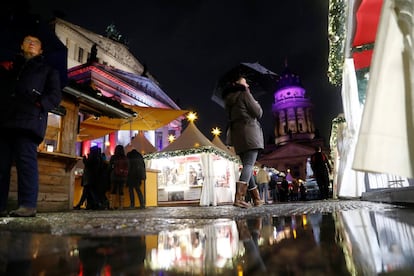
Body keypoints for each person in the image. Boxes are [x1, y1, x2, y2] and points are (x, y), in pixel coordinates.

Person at [0, 33, 62, 217]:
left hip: (29, 121)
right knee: (1, 166)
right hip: (5, 120)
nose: (31, 43)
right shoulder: (10, 67)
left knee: (26, 164)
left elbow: (55, 95)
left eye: (36, 42)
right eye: (27, 40)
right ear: (21, 45)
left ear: (41, 49)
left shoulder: (48, 70)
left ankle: (27, 205)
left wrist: (39, 104)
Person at [222, 74, 264, 208]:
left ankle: (256, 199)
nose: (248, 85)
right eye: (245, 83)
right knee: (249, 165)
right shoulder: (244, 95)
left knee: (248, 166)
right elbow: (258, 113)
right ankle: (239, 198)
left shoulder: (228, 100)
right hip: (250, 133)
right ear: (238, 83)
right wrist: (255, 102)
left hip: (237, 135)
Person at [109, 145, 128, 209]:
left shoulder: (113, 157)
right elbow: (128, 167)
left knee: (113, 190)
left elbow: (110, 166)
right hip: (122, 176)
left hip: (114, 176)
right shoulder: (125, 157)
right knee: (121, 190)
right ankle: (121, 206)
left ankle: (111, 205)